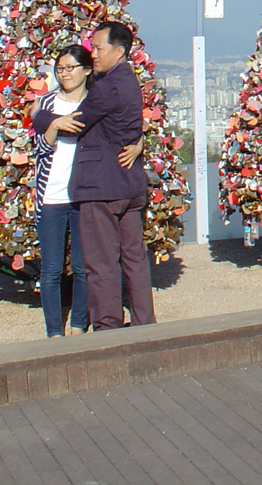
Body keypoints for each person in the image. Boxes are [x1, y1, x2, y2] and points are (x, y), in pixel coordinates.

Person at [70, 21, 155, 330]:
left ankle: (108, 327)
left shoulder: (107, 87)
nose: (94, 54)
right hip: (129, 183)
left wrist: (42, 117)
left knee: (102, 262)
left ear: (119, 51)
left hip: (103, 186)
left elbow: (77, 122)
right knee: (134, 258)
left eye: (99, 48)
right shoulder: (129, 81)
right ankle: (144, 321)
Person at [30, 46, 93, 338]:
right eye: (61, 68)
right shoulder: (45, 103)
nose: (65, 73)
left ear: (87, 70)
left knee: (82, 267)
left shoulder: (95, 102)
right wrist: (54, 124)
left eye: (71, 67)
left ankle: (79, 324)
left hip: (83, 196)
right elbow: (40, 150)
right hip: (50, 197)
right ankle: (54, 331)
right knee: (51, 269)